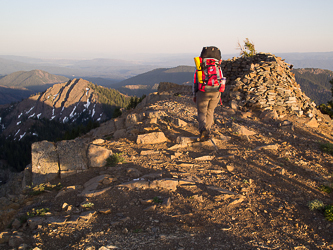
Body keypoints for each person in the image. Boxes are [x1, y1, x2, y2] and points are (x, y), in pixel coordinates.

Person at [192, 46, 224, 141]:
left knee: (202, 112)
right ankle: (208, 132)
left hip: (202, 91)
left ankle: (203, 131)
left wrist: (194, 94)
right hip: (216, 92)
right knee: (210, 111)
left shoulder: (200, 66)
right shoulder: (217, 66)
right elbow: (221, 78)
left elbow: (195, 81)